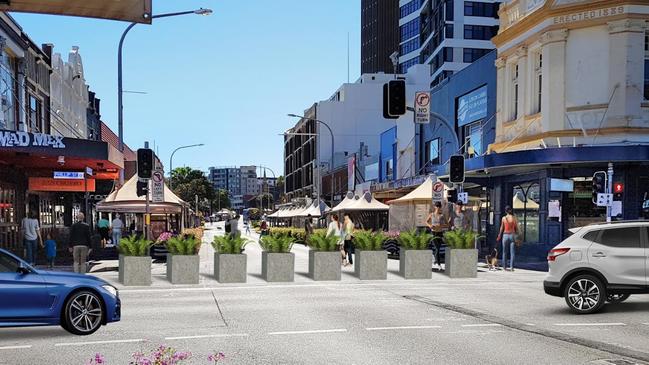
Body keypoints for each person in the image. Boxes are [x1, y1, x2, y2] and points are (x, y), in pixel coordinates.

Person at [497, 206, 519, 271]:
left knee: (504, 252)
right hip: (512, 234)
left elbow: (501, 228)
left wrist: (499, 235)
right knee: (512, 252)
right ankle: (512, 267)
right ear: (510, 210)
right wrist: (517, 236)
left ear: (505, 211)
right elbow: (516, 228)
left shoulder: (503, 218)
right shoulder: (514, 218)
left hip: (505, 235)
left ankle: (504, 267)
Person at [426, 202, 446, 269]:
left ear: (440, 207)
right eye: (437, 206)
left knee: (438, 249)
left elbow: (447, 224)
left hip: (440, 233)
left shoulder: (442, 215)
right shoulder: (431, 215)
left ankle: (435, 259)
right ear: (434, 207)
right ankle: (439, 264)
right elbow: (426, 221)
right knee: (437, 248)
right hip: (434, 233)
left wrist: (441, 225)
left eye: (439, 206)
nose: (438, 208)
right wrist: (430, 225)